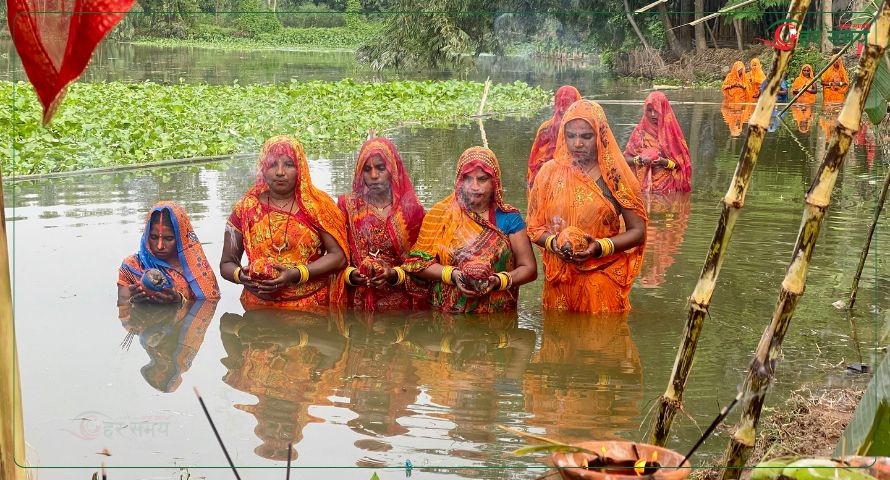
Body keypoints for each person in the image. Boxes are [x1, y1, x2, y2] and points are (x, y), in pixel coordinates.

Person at [526, 99, 648, 313]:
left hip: (602, 279)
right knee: (559, 342)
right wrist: (555, 244)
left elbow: (638, 231)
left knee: (602, 341)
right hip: (559, 281)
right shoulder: (549, 173)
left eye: (586, 136)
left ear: (600, 136)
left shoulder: (615, 176)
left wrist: (599, 247)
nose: (577, 144)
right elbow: (534, 228)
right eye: (571, 136)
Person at [402, 146, 538, 314]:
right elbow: (417, 264)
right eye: (468, 179)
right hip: (447, 318)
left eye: (482, 179)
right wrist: (453, 275)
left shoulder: (510, 218)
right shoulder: (441, 214)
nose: (474, 187)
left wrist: (497, 281)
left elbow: (529, 269)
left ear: (494, 181)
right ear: (459, 180)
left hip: (497, 318)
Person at [220, 135, 349, 310]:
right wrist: (241, 276)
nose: (280, 172)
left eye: (288, 164)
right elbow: (227, 263)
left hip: (312, 309)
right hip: (258, 313)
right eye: (273, 164)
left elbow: (339, 257)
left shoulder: (318, 206)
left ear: (300, 169)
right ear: (263, 169)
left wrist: (295, 274)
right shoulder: (245, 208)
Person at [338, 137, 427, 311]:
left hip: (401, 307)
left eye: (380, 168)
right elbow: (335, 257)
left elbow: (422, 265)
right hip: (355, 304)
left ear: (393, 170)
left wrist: (393, 275)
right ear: (359, 172)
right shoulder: (347, 207)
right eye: (367, 169)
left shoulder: (411, 211)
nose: (373, 176)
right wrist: (351, 275)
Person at [118, 201, 220, 305]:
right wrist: (132, 302)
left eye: (169, 238)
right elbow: (122, 307)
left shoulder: (198, 269)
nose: (160, 246)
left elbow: (210, 304)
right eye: (154, 237)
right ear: (146, 236)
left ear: (181, 239)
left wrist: (180, 300)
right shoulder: (131, 266)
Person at [623, 91, 692, 194]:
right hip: (641, 188)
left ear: (664, 110)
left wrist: (664, 162)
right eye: (649, 110)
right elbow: (625, 159)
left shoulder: (672, 134)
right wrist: (639, 160)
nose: (653, 114)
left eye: (656, 110)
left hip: (667, 189)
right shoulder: (639, 132)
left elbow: (681, 165)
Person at [527, 85, 582, 189]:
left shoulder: (545, 127)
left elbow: (534, 159)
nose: (562, 109)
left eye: (565, 104)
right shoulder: (583, 129)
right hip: (560, 181)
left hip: (546, 180)